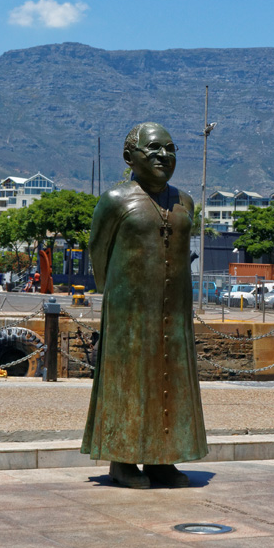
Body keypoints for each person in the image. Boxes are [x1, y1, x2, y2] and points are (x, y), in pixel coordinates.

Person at [81, 122, 207, 488]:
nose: (164, 156)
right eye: (154, 149)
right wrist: (121, 297)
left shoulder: (185, 202)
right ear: (129, 156)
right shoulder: (115, 201)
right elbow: (98, 255)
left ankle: (162, 459)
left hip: (175, 314)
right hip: (129, 314)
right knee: (129, 381)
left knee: (172, 380)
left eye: (170, 149)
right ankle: (121, 462)